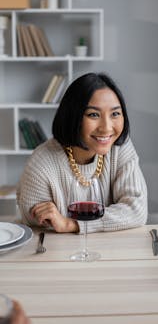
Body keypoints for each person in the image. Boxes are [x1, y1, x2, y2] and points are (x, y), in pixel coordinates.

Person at [17, 72, 148, 233]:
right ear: (73, 116)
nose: (106, 127)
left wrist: (71, 224)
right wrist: (115, 218)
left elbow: (137, 210)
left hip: (111, 248)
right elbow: (39, 224)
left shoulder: (120, 147)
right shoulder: (41, 163)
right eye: (93, 114)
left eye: (115, 114)